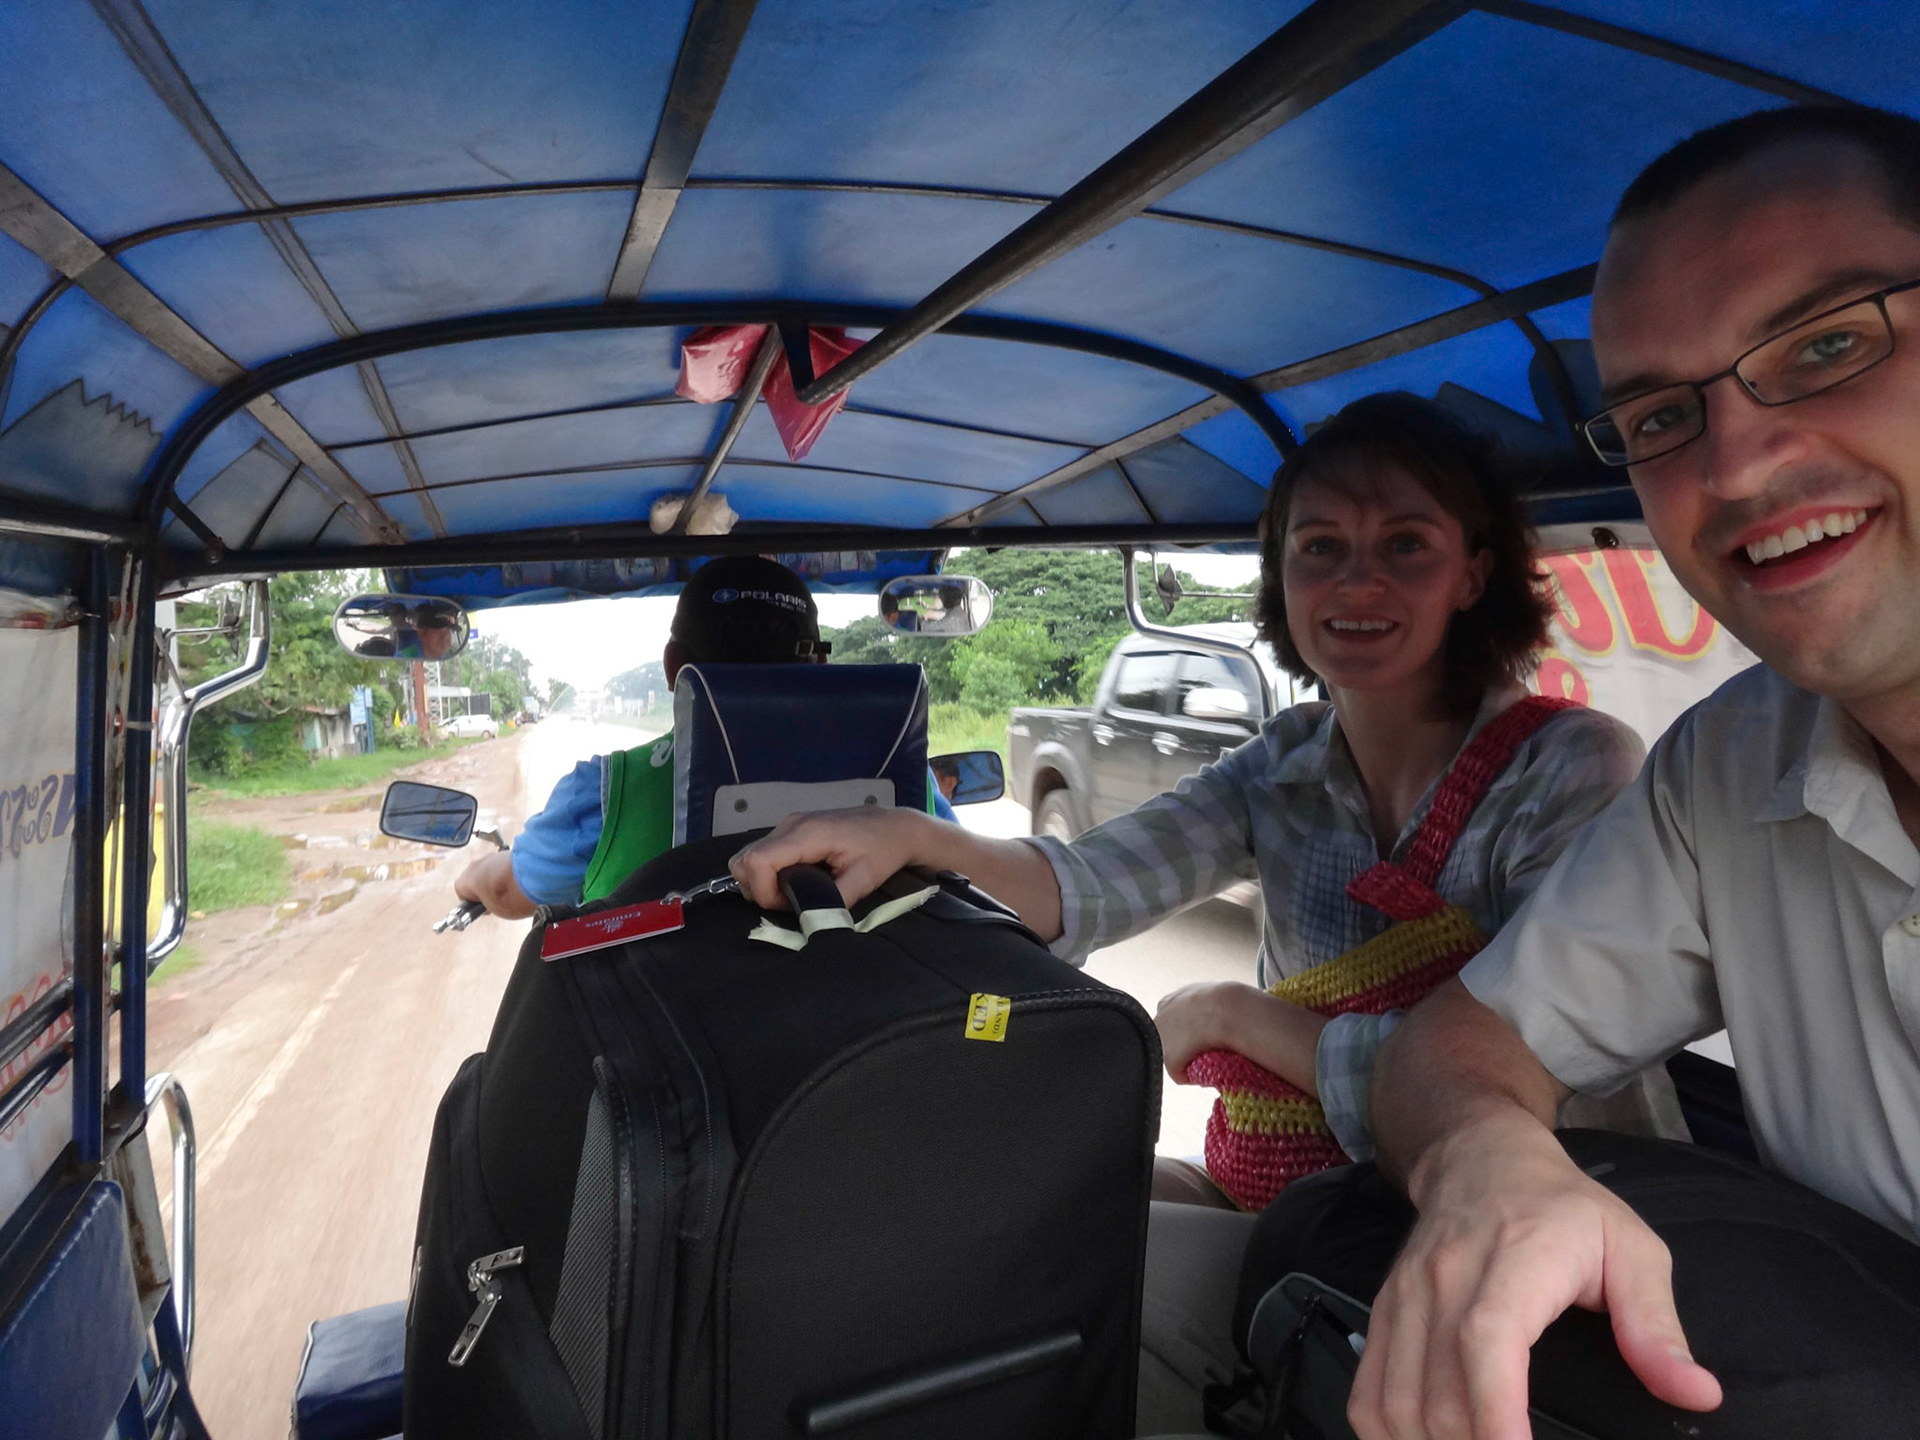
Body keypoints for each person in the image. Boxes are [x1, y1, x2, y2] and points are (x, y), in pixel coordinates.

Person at [729, 392, 1660, 1430]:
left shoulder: (1565, 768)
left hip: (1511, 1221)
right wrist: (915, 838)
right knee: (993, 1203)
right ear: (1282, 577)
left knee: (1038, 1277)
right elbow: (1086, 885)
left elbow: (1543, 1079)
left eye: (1406, 544)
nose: (1357, 580)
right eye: (1320, 547)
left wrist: (1237, 1016)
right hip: (1294, 1187)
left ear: (1474, 574)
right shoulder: (1285, 762)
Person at [1341, 105, 1920, 1440]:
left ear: (1477, 579)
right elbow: (1462, 1045)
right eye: (1662, 417)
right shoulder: (1732, 762)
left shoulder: (1570, 757)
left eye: (1827, 345)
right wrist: (1489, 1157)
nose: (1738, 463)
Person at [454, 555, 838, 916]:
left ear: (672, 666)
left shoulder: (606, 792)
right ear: (821, 663)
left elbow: (504, 891)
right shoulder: (874, 795)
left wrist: (468, 879)